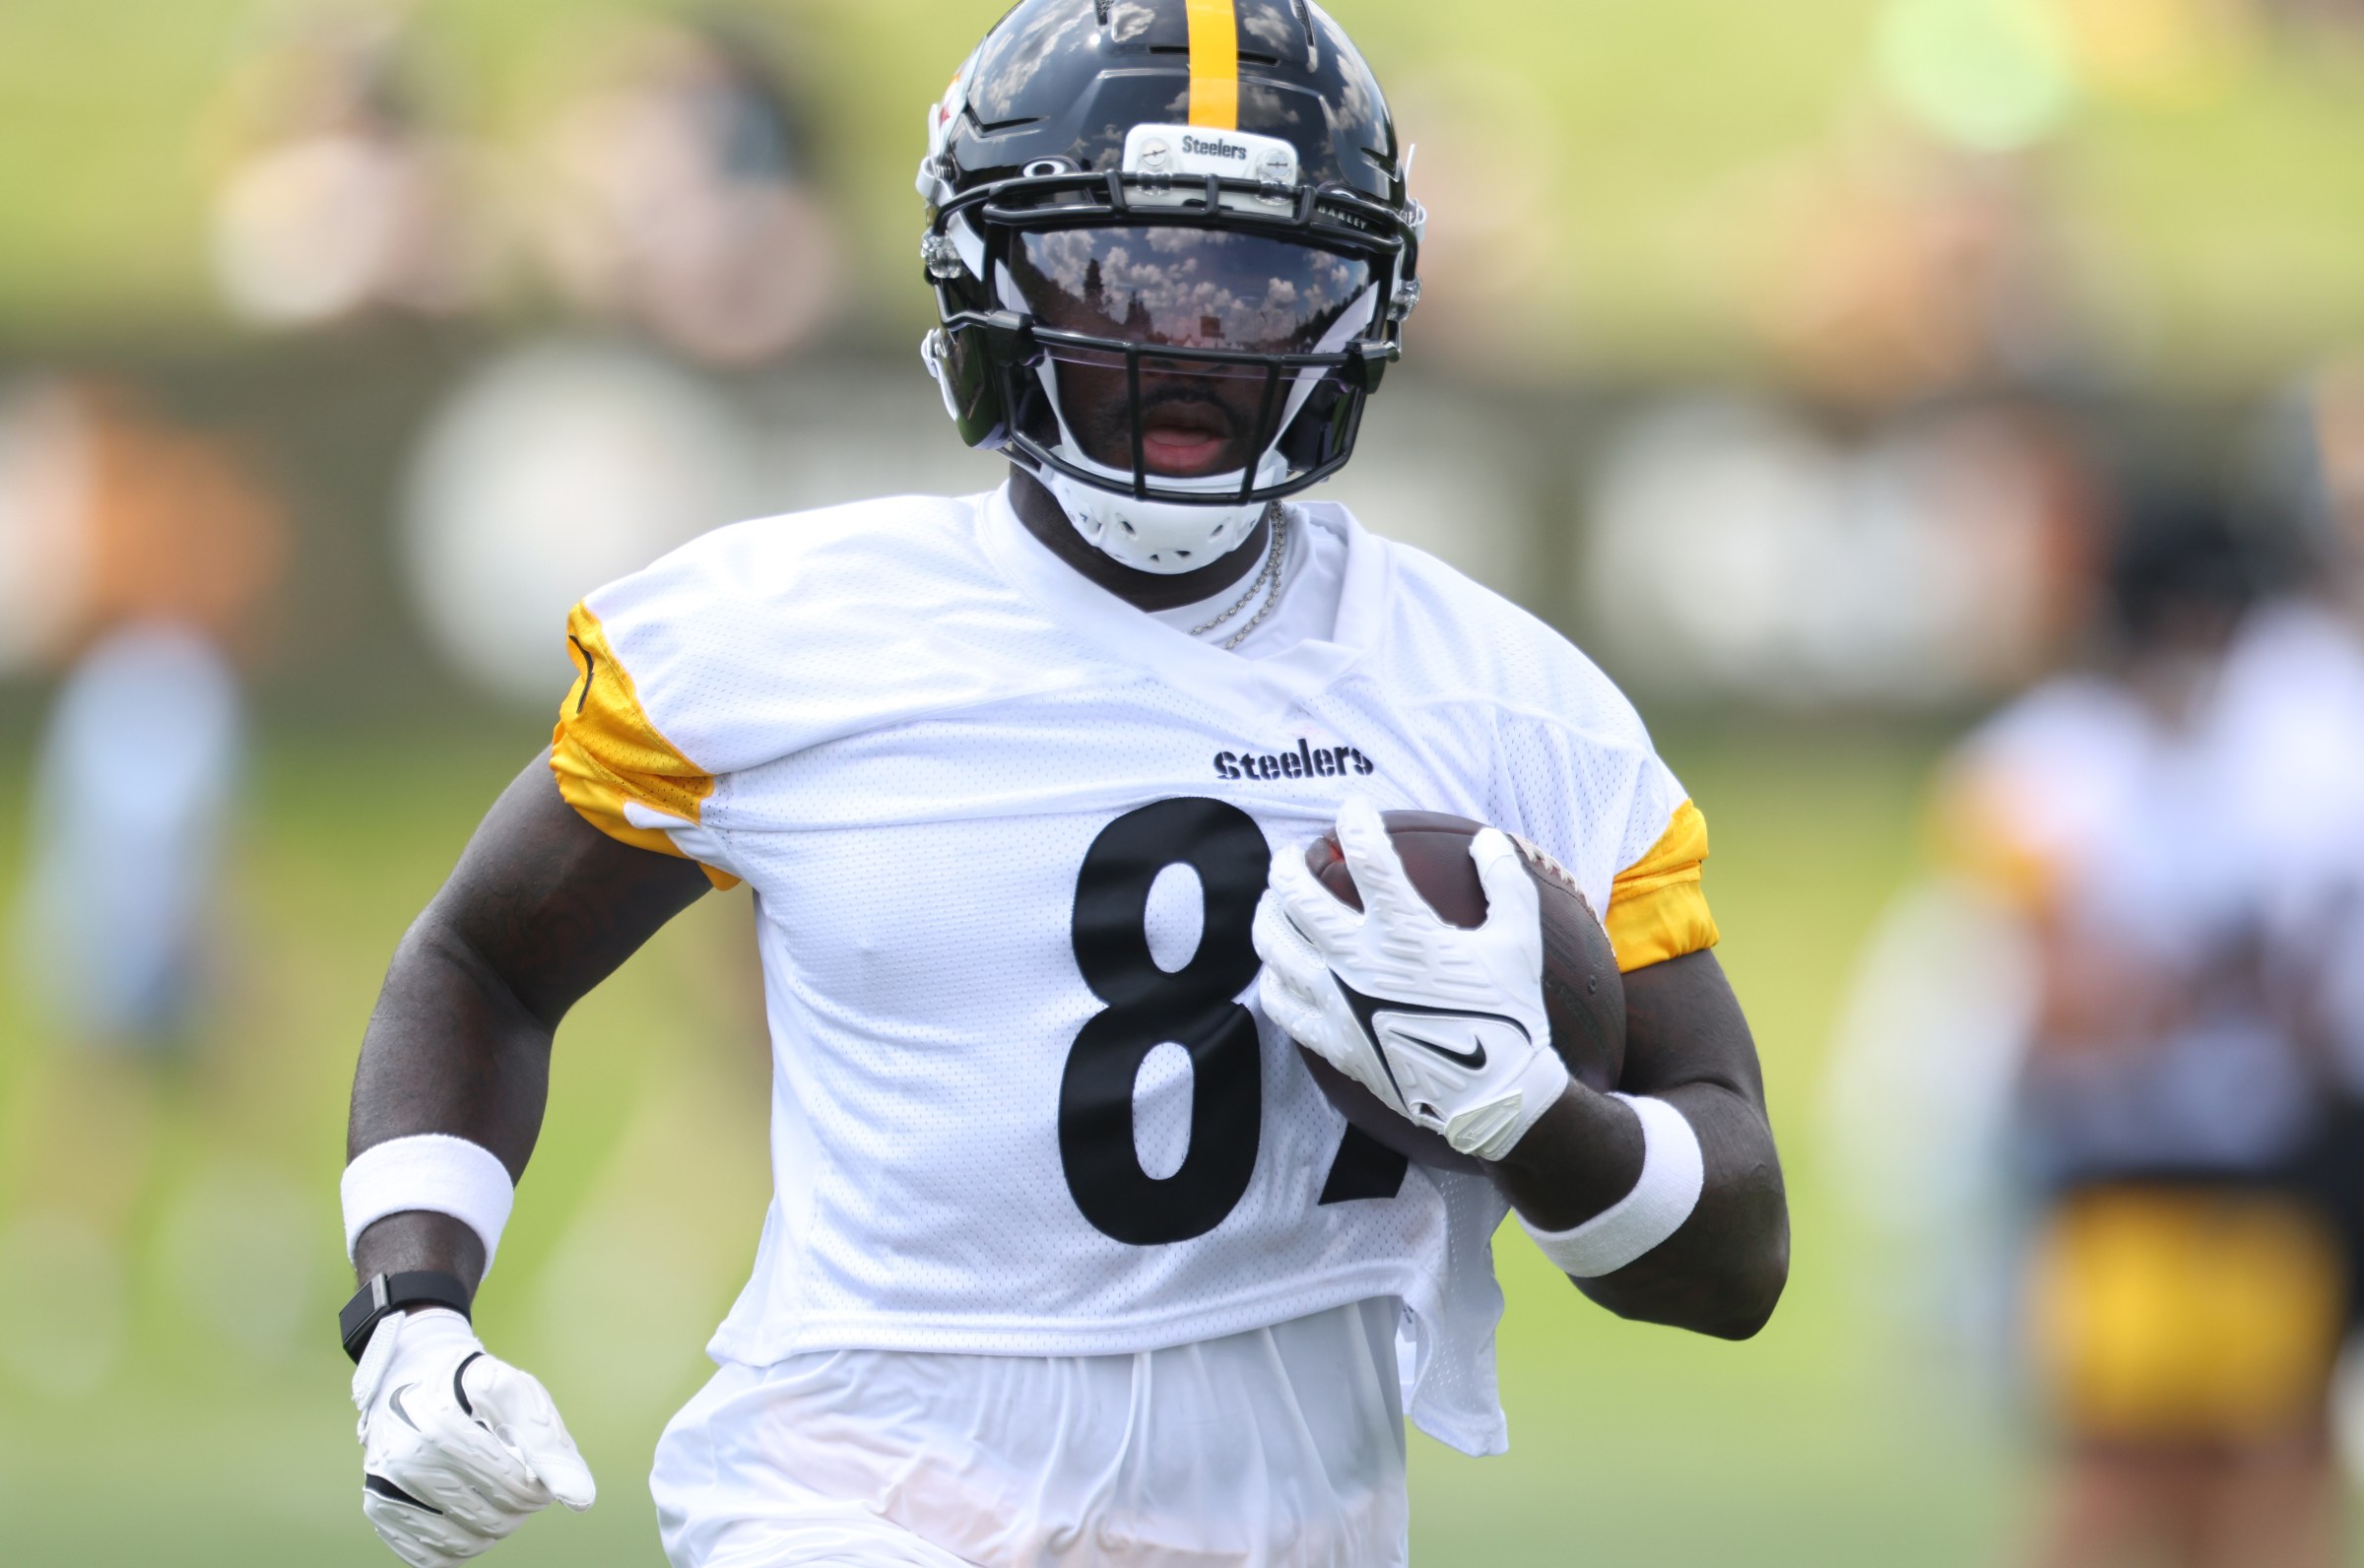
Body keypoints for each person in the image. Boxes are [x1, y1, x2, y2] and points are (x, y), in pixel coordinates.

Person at [335, 5, 1789, 1565]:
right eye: (1119, 270)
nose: (1189, 340)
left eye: (1261, 286)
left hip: (1287, 1528)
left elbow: (1737, 1260)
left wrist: (1536, 1117)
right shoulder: (776, 637)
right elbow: (487, 960)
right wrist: (412, 1310)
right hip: (847, 1500)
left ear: (1360, 308)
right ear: (983, 275)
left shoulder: (1512, 708)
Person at [1936, 495, 2342, 1568]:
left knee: (2270, 1469)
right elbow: (2070, 1007)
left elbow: (2311, 994)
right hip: (2115, 1171)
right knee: (2120, 1469)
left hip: (2274, 1167)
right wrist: (2215, 983)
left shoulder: (2295, 753)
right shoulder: (2046, 767)